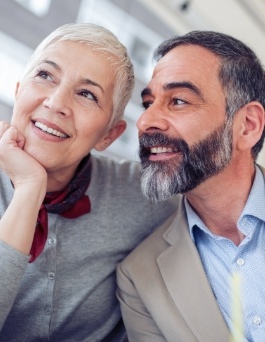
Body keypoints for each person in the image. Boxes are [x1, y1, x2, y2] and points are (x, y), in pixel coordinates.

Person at [0, 23, 179, 342]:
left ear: (109, 135)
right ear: (19, 90)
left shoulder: (141, 194)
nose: (56, 103)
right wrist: (29, 190)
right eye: (45, 75)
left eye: (87, 94)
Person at [116, 30, 265, 342]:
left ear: (247, 126)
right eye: (148, 103)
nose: (145, 122)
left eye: (179, 101)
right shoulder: (139, 279)